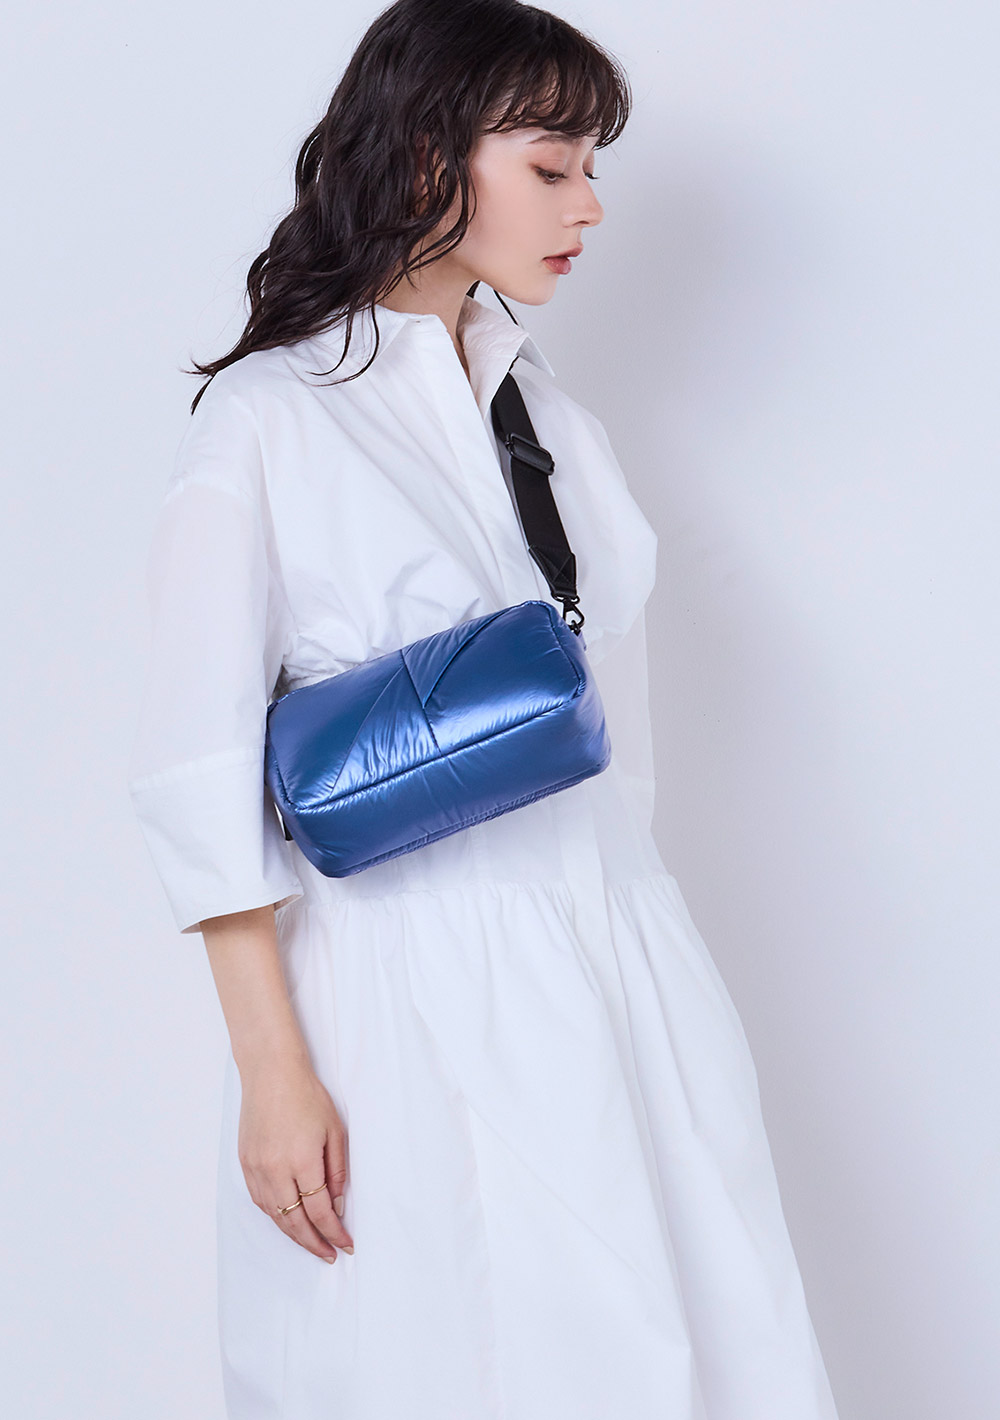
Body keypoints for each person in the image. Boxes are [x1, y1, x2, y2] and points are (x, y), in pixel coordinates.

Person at [127, 1, 841, 1416]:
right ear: (424, 157)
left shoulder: (552, 420)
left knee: (677, 1355)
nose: (590, 206)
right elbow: (195, 765)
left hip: (617, 957)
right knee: (437, 1357)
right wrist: (273, 1069)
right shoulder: (274, 417)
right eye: (551, 165)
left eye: (593, 168)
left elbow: (615, 750)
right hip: (402, 988)